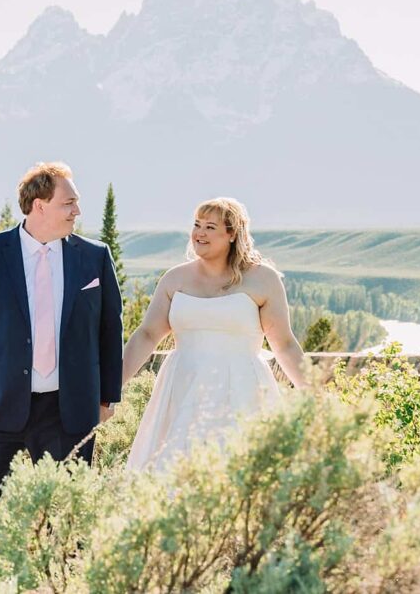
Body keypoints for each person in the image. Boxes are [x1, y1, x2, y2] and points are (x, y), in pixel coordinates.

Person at [0, 162, 123, 566]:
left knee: (68, 513)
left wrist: (108, 397)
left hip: (68, 411)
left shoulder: (94, 257)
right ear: (39, 206)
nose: (77, 211)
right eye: (68, 203)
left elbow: (110, 330)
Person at [121, 197, 308, 472]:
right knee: (172, 471)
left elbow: (285, 345)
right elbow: (147, 334)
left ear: (232, 234)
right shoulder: (174, 279)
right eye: (197, 225)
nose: (199, 233)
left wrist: (315, 394)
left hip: (242, 387)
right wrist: (110, 389)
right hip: (182, 384)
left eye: (210, 227)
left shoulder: (263, 279)